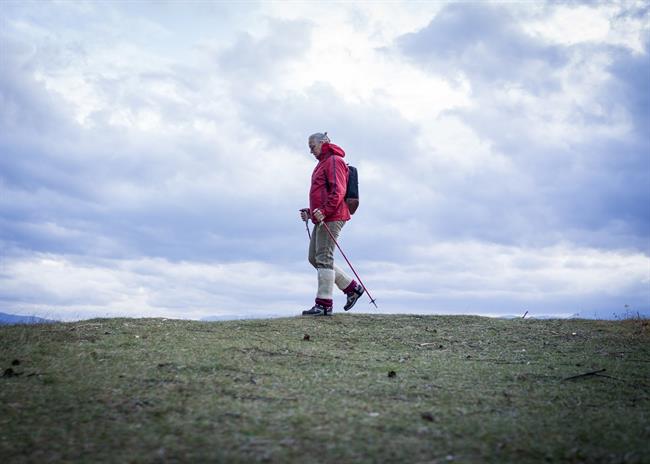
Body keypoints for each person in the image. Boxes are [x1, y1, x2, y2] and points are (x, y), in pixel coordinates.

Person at [300, 132, 364, 316]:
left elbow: (338, 191)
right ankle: (352, 288)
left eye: (312, 146)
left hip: (332, 215)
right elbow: (324, 194)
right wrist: (311, 212)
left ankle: (324, 304)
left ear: (323, 142)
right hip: (324, 216)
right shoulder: (323, 163)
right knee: (315, 258)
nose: (311, 151)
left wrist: (324, 211)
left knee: (324, 258)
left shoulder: (334, 160)